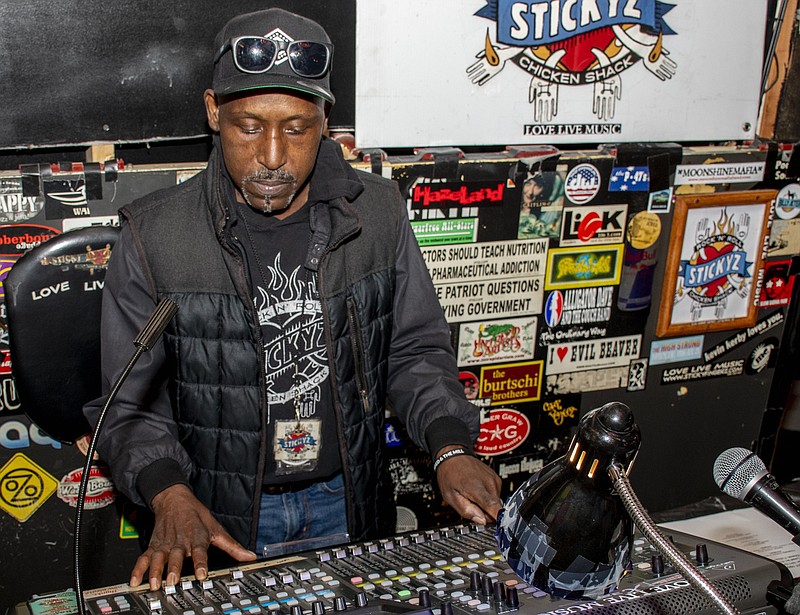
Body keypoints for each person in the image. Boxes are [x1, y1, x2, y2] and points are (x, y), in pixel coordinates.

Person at [84, 7, 502, 592]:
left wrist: (449, 446)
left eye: (297, 128)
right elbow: (128, 405)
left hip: (351, 505)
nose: (274, 156)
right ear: (213, 113)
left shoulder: (378, 215)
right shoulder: (154, 236)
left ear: (325, 121)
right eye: (249, 127)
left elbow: (414, 350)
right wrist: (168, 491)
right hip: (217, 517)